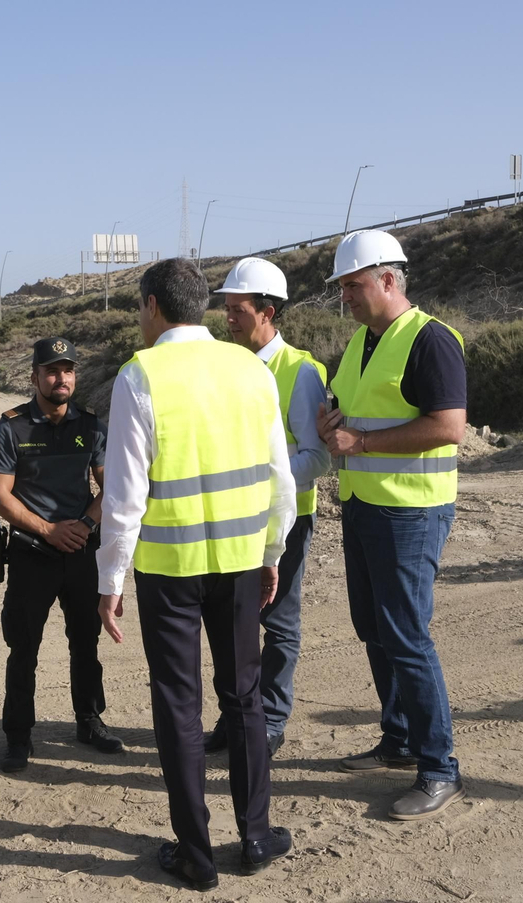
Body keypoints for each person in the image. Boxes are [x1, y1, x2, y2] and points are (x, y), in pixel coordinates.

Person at [97, 257, 296, 890]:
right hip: (240, 565)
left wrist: (110, 580)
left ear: (153, 305)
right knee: (243, 697)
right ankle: (257, 835)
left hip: (169, 571)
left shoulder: (141, 374)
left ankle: (197, 855)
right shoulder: (251, 367)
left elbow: (124, 497)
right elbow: (279, 479)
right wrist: (272, 554)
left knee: (179, 706)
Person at [315, 230, 468, 821]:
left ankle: (440, 769)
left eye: (352, 285)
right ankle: (399, 739)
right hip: (364, 504)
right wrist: (332, 424)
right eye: (341, 288)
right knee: (372, 626)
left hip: (411, 510)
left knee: (407, 635)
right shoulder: (361, 343)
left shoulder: (430, 340)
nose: (345, 297)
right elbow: (347, 411)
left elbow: (448, 426)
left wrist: (363, 441)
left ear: (387, 279)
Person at [0, 337, 121, 773]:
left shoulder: (92, 425)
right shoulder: (12, 427)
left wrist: (86, 526)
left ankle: (88, 719)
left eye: (69, 370)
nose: (62, 378)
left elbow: (109, 484)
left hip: (80, 551)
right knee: (23, 648)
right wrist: (48, 530)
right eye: (53, 371)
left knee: (86, 642)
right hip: (31, 553)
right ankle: (18, 737)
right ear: (35, 377)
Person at [208, 257, 330, 759]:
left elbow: (316, 456)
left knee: (277, 620)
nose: (228, 318)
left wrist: (263, 488)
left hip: (286, 518)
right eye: (227, 309)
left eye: (237, 309)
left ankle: (272, 718)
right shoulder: (230, 365)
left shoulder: (300, 372)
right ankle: (237, 714)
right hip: (237, 517)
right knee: (233, 620)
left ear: (268, 311)